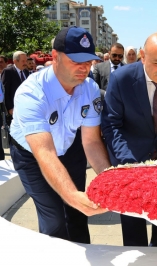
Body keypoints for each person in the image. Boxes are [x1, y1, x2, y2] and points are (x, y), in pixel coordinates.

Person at [9, 26, 111, 243]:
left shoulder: (90, 89)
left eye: (88, 61)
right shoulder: (31, 93)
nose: (84, 67)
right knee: (54, 218)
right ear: (55, 56)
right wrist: (70, 195)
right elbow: (44, 152)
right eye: (76, 60)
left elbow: (91, 141)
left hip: (70, 147)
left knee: (78, 214)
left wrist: (112, 181)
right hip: (32, 155)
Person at [101, 32, 157, 247]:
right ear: (142, 56)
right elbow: (111, 125)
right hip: (130, 162)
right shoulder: (121, 79)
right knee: (133, 230)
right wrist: (130, 164)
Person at [1, 51, 29, 118]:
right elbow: (5, 91)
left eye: (26, 61)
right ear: (15, 61)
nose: (25, 63)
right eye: (23, 61)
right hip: (14, 110)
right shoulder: (8, 72)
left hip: (26, 108)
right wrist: (10, 108)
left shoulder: (26, 72)